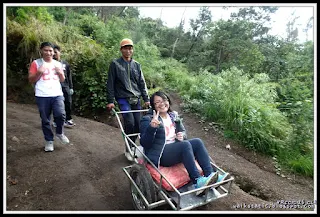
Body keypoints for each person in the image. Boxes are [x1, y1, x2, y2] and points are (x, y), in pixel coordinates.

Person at [139, 91, 229, 195]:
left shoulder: (173, 116)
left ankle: (211, 176)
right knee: (185, 145)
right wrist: (152, 128)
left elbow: (183, 132)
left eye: (164, 100)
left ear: (168, 101)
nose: (162, 103)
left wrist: (181, 136)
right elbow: (144, 143)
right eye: (158, 102)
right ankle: (197, 181)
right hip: (160, 154)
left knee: (197, 142)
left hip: (175, 149)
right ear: (153, 106)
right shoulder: (148, 119)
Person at [106, 38, 150, 161]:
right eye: (125, 48)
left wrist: (146, 98)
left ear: (132, 50)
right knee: (129, 122)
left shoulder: (137, 65)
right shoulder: (115, 64)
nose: (128, 50)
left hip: (136, 98)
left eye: (130, 48)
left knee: (138, 124)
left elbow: (142, 82)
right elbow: (110, 83)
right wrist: (110, 100)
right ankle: (128, 149)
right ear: (121, 50)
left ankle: (131, 146)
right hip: (123, 98)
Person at [28, 42, 70, 152]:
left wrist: (61, 74)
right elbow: (31, 79)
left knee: (60, 114)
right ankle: (49, 141)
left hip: (57, 94)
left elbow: (62, 80)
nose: (48, 53)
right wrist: (39, 72)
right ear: (41, 51)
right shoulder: (36, 63)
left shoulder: (57, 64)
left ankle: (60, 133)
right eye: (46, 50)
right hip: (42, 95)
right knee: (45, 119)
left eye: (51, 51)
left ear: (53, 52)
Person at [53, 44, 75, 128]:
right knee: (56, 104)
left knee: (68, 102)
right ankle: (56, 121)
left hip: (65, 86)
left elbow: (69, 76)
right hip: (55, 86)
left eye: (56, 52)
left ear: (59, 52)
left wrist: (71, 87)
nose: (54, 54)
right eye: (53, 52)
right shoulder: (51, 64)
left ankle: (68, 119)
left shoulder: (65, 64)